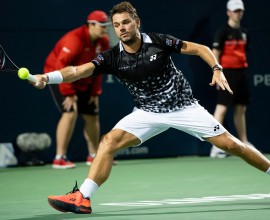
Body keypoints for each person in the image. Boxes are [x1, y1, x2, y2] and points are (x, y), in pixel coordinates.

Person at [32, 1, 270, 214]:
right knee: (108, 142)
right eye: (116, 25)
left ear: (137, 22)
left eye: (126, 22)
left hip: (184, 107)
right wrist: (48, 77)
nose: (122, 28)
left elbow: (201, 49)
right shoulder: (111, 57)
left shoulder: (158, 41)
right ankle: (82, 198)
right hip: (147, 113)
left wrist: (217, 69)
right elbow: (76, 71)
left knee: (232, 145)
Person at [44, 10, 110, 168]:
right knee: (70, 112)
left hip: (83, 78)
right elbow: (60, 66)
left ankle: (93, 156)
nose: (105, 29)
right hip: (57, 76)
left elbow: (100, 68)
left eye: (106, 25)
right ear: (90, 25)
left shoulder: (104, 41)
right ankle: (59, 157)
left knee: (92, 115)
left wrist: (95, 93)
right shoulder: (74, 40)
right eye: (101, 26)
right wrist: (68, 94)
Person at [209, 0, 254, 158]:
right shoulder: (222, 32)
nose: (238, 13)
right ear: (228, 12)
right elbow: (215, 54)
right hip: (226, 74)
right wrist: (217, 73)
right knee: (221, 108)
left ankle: (244, 142)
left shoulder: (244, 32)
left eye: (240, 11)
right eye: (235, 11)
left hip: (241, 73)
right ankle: (215, 146)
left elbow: (243, 52)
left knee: (241, 108)